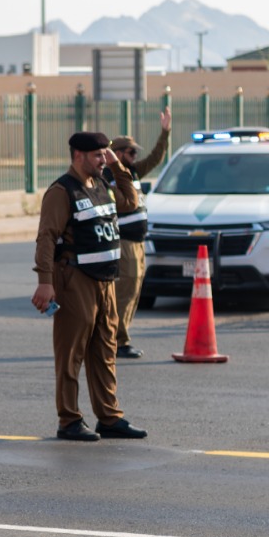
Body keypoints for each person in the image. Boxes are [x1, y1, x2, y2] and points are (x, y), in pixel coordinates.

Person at [31, 131, 149, 442]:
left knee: (105, 350)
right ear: (78, 156)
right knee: (72, 354)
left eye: (105, 154)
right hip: (75, 280)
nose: (103, 160)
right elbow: (46, 237)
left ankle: (109, 417)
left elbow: (130, 201)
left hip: (105, 281)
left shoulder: (102, 185)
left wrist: (118, 168)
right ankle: (69, 420)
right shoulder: (61, 191)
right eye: (98, 155)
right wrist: (45, 282)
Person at [106, 106, 172, 358]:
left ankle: (119, 338)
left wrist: (165, 132)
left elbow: (156, 158)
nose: (135, 156)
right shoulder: (109, 175)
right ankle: (118, 342)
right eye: (131, 152)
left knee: (134, 291)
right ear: (118, 153)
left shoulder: (131, 172)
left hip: (137, 243)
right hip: (123, 242)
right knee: (125, 293)